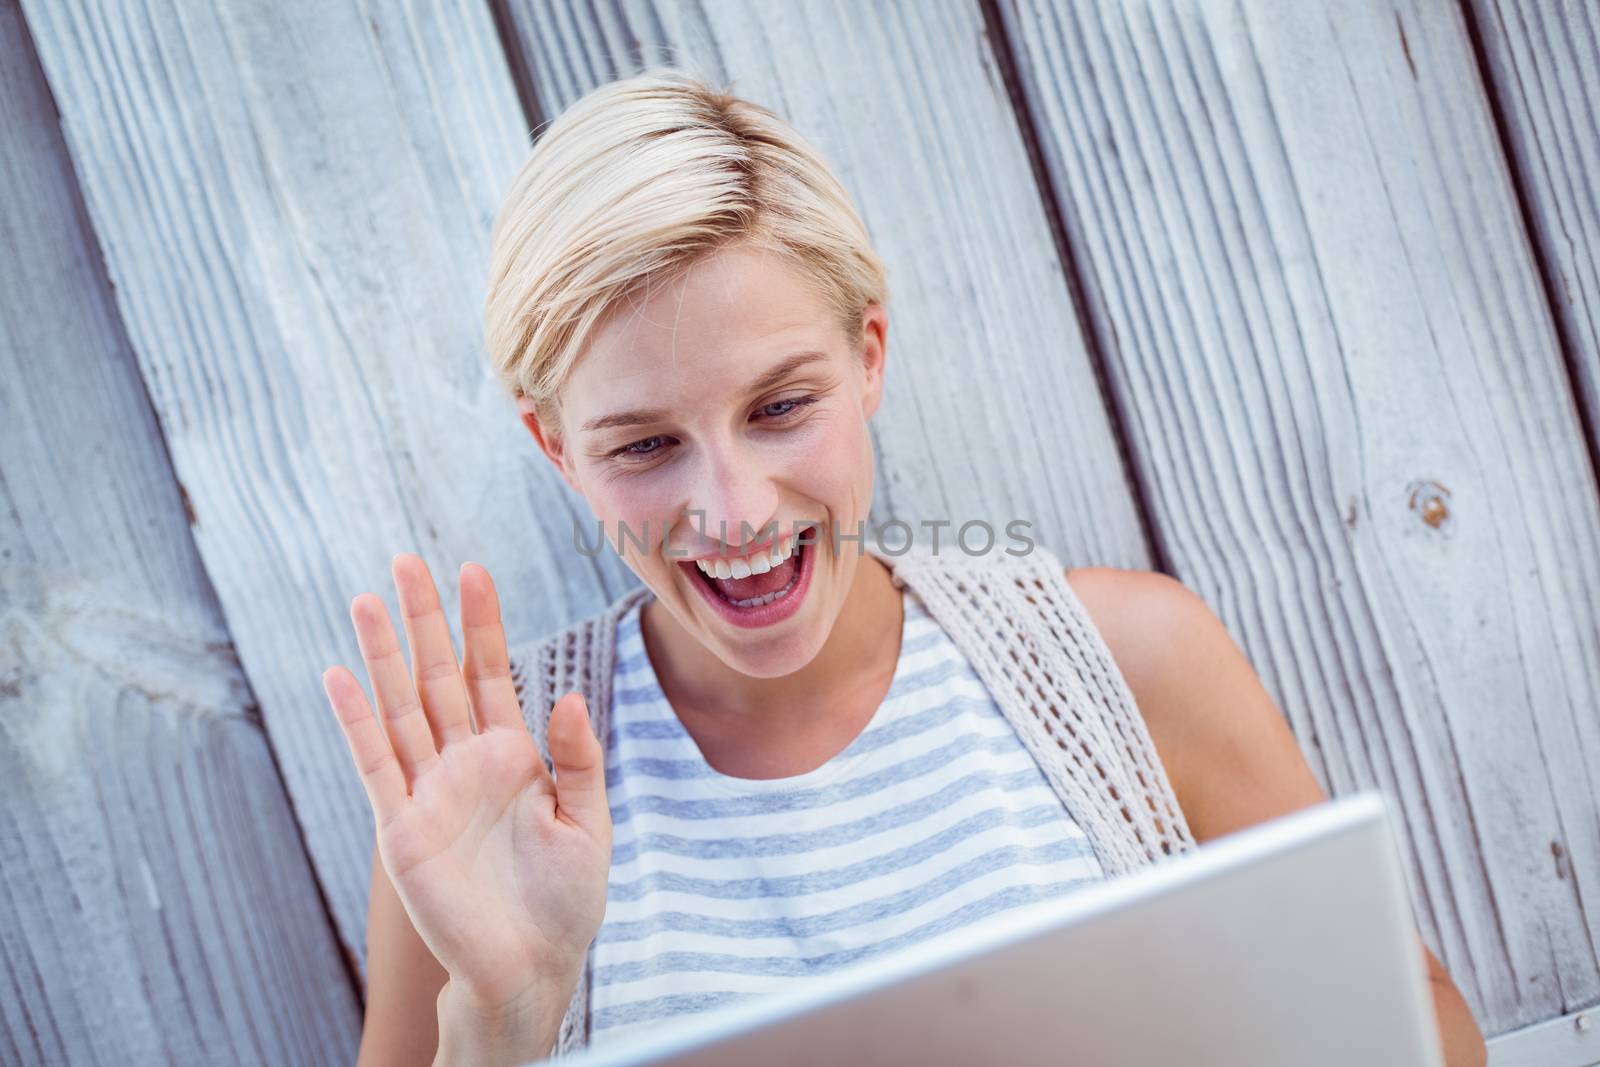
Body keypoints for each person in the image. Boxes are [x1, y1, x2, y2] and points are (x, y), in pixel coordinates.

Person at [320, 68, 1487, 1066]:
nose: (731, 509)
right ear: (554, 447)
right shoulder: (478, 797)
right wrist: (506, 1018)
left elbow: (1420, 1017)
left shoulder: (1121, 662)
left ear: (867, 356)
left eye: (780, 406)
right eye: (644, 445)